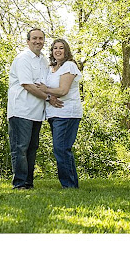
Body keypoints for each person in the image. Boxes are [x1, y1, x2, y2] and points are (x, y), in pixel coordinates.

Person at [7, 28, 62, 189]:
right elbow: (28, 85)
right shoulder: (23, 59)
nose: (38, 41)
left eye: (41, 38)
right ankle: (19, 183)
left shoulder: (43, 60)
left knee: (32, 148)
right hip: (21, 110)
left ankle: (28, 182)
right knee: (20, 147)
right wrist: (48, 98)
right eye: (35, 38)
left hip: (37, 112)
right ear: (28, 41)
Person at [36, 38, 82, 189]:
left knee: (61, 148)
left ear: (66, 50)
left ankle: (69, 185)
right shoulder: (52, 68)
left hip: (67, 113)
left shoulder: (69, 66)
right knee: (61, 148)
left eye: (61, 48)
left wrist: (46, 90)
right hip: (54, 115)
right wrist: (49, 97)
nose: (58, 50)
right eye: (55, 48)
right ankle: (71, 184)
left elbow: (63, 90)